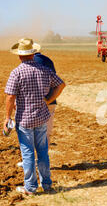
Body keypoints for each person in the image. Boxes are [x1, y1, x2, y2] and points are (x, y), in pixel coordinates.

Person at [4, 38, 66, 195]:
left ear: (19, 55)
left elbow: (10, 97)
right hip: (41, 117)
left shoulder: (16, 72)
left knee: (28, 153)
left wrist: (7, 118)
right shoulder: (44, 70)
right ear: (33, 54)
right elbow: (61, 84)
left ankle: (30, 187)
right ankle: (47, 184)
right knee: (43, 152)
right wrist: (48, 100)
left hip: (24, 119)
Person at [34, 51, 58, 144]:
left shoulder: (28, 63)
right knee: (46, 133)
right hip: (50, 101)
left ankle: (31, 158)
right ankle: (43, 157)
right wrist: (50, 100)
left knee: (31, 132)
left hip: (33, 103)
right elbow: (60, 84)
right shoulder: (48, 61)